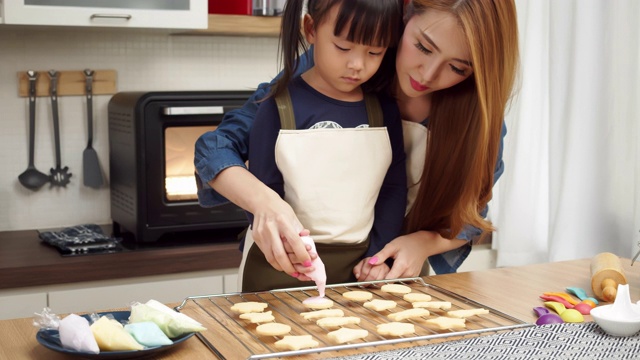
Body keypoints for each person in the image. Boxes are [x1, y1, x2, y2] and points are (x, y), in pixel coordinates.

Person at [194, 0, 519, 283]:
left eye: (458, 67)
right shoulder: (334, 64)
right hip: (289, 265)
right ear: (404, 17)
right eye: (423, 47)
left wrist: (423, 243)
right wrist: (265, 203)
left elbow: (471, 214)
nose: (428, 75)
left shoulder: (479, 115)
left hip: (390, 274)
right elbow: (217, 147)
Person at [227, 0, 407, 292]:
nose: (357, 65)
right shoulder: (278, 106)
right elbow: (263, 194)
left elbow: (393, 188)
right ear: (310, 29)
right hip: (281, 265)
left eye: (374, 52)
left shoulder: (384, 109)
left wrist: (377, 255)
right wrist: (290, 250)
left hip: (361, 267)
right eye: (343, 48)